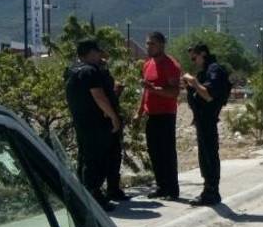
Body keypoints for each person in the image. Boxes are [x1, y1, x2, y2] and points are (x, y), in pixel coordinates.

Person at [65, 40, 122, 211]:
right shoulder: (90, 71)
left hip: (82, 122)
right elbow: (98, 96)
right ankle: (94, 196)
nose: (99, 56)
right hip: (96, 124)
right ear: (90, 53)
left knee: (85, 158)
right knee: (97, 160)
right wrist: (113, 116)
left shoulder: (72, 70)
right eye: (97, 52)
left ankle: (86, 194)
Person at [183, 43, 231, 206]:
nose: (194, 61)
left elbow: (209, 95)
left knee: (209, 155)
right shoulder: (207, 71)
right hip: (202, 119)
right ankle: (208, 190)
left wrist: (193, 81)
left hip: (208, 118)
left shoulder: (214, 70)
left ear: (203, 54)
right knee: (205, 156)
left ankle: (211, 191)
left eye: (195, 57)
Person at [140, 31, 182, 199]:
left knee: (167, 152)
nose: (149, 47)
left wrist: (154, 89)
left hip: (166, 114)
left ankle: (172, 189)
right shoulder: (147, 64)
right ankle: (161, 186)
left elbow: (174, 92)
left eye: (152, 44)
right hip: (151, 114)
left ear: (162, 45)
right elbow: (145, 91)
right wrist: (139, 112)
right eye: (148, 44)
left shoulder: (170, 64)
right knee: (154, 152)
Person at [98, 53, 130, 202]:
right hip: (105, 122)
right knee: (106, 157)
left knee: (114, 156)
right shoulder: (96, 77)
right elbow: (103, 99)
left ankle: (113, 189)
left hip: (110, 120)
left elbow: (111, 96)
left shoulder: (104, 76)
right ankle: (103, 191)